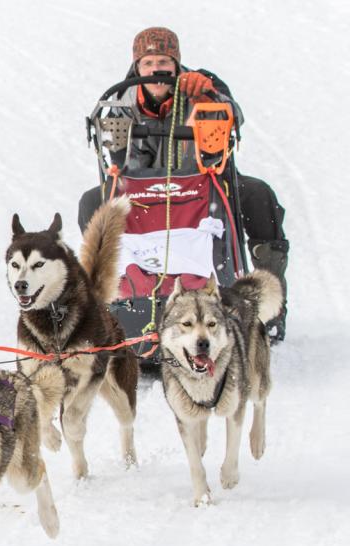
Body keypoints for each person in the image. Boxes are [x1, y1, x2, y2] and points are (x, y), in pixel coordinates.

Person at [78, 27, 289, 340]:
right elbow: (117, 159)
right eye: (148, 63)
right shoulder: (120, 101)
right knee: (92, 202)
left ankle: (269, 306)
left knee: (258, 195)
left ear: (176, 63)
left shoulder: (204, 84)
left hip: (205, 181)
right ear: (137, 66)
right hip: (145, 190)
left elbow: (234, 117)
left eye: (164, 61)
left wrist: (207, 97)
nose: (156, 70)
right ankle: (110, 297)